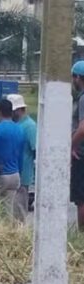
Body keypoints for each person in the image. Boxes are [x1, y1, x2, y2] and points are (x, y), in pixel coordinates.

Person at [0, 99, 24, 220]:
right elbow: (21, 156)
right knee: (8, 209)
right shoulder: (19, 129)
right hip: (15, 175)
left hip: (1, 175)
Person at [8, 94, 37, 215]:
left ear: (19, 110)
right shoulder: (15, 125)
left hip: (23, 176)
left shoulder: (30, 126)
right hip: (12, 174)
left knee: (19, 212)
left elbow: (36, 150)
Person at [71, 61, 84, 230]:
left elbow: (82, 128)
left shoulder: (82, 98)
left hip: (82, 154)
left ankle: (81, 236)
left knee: (81, 199)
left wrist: (71, 146)